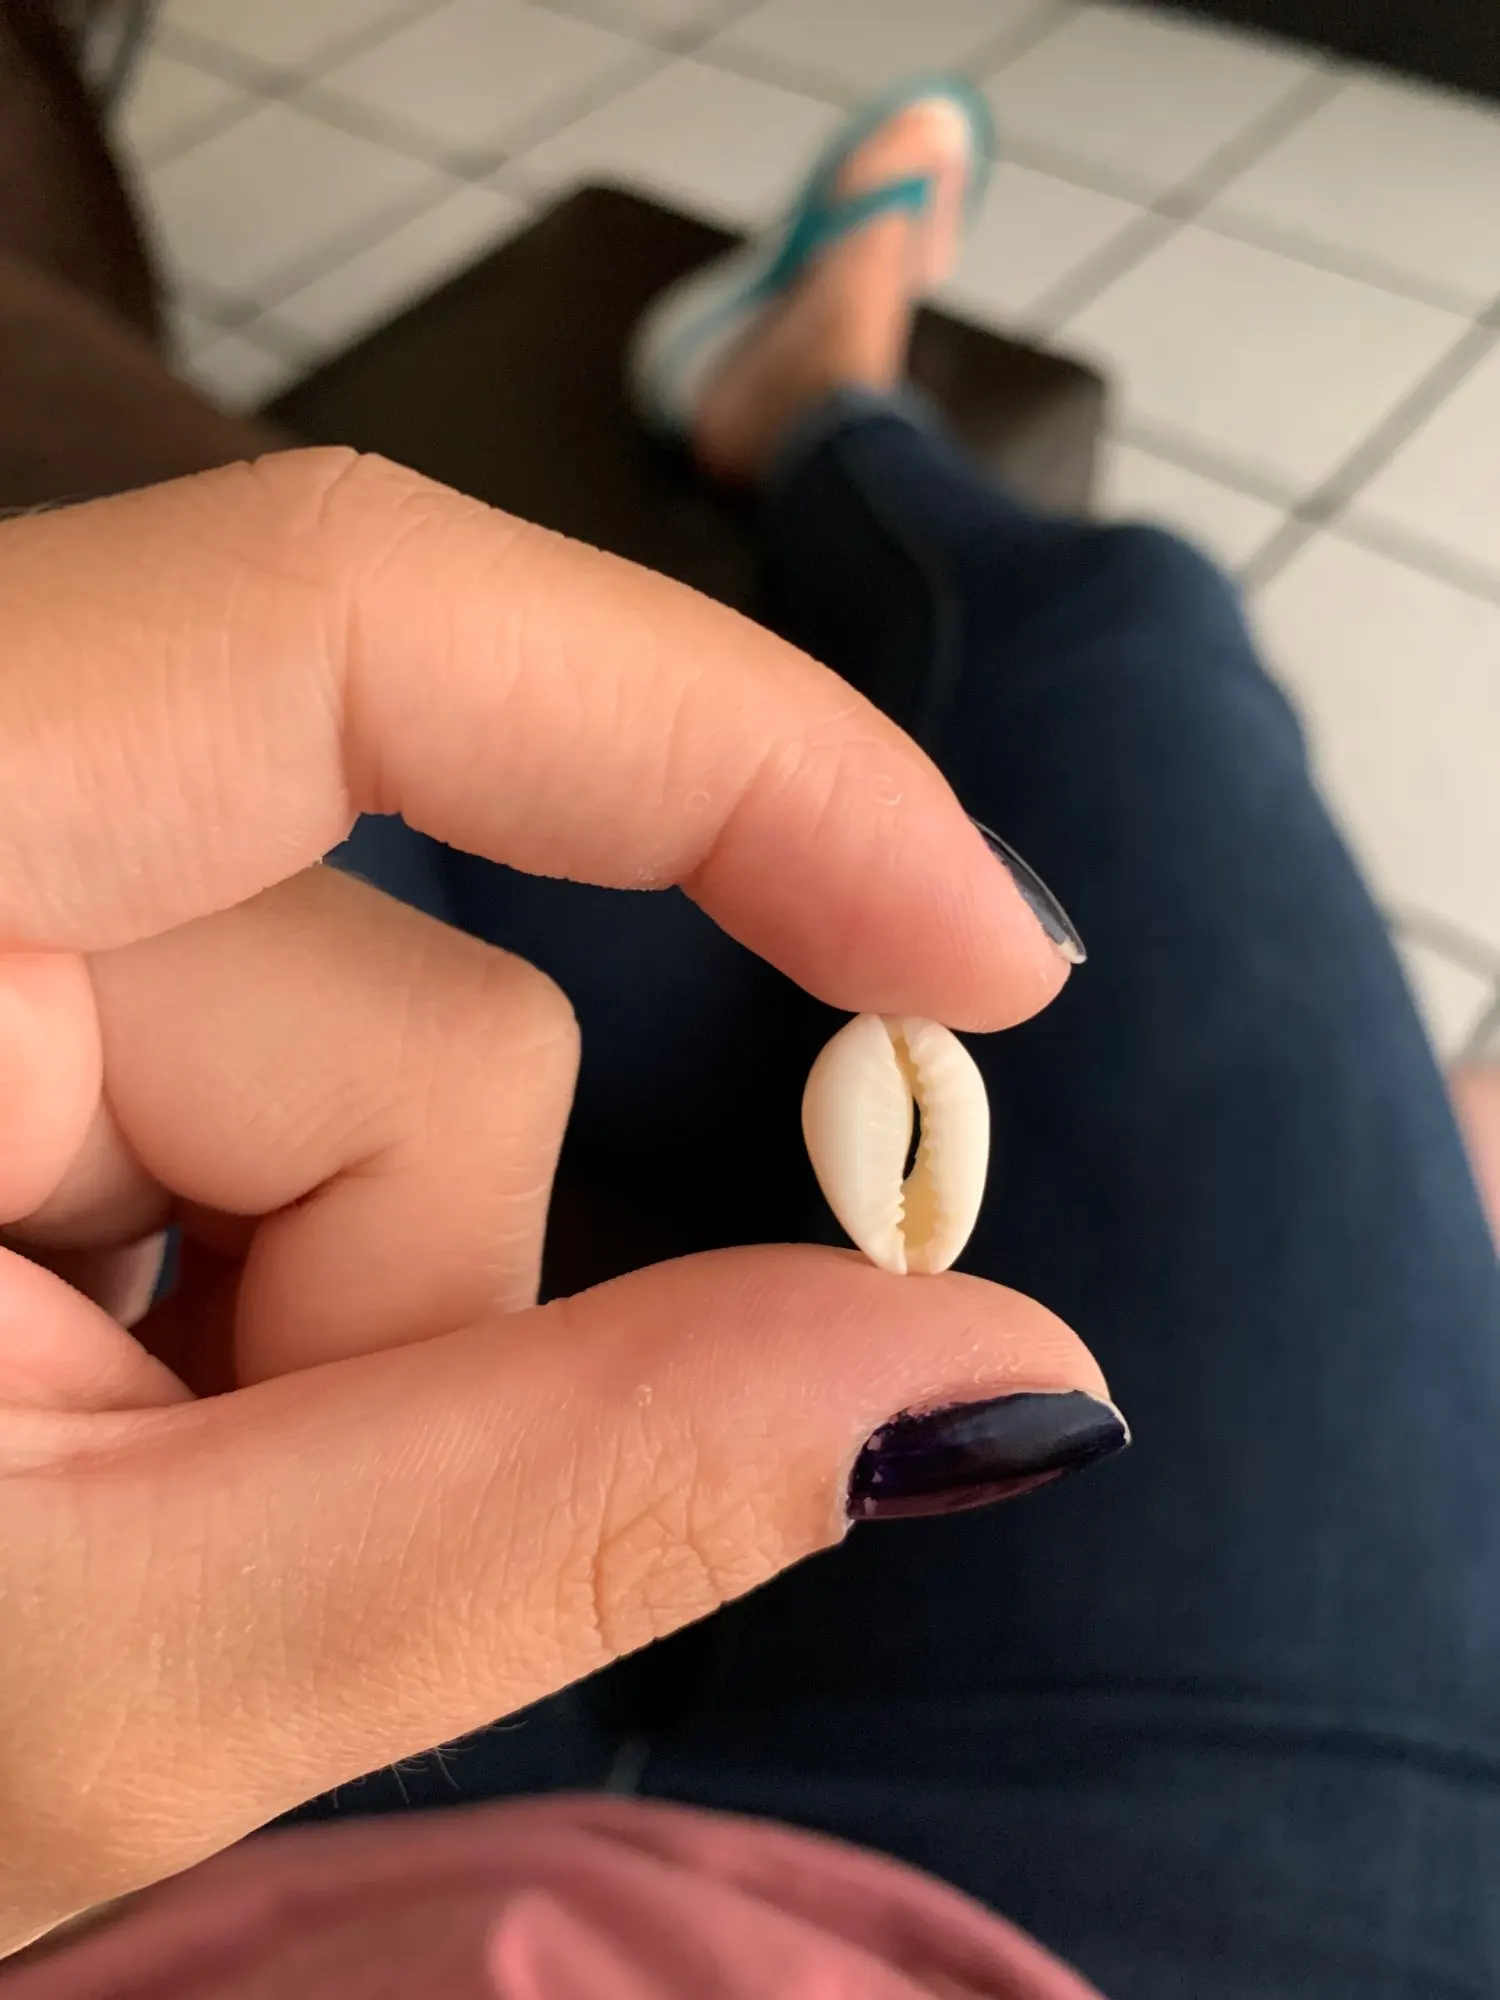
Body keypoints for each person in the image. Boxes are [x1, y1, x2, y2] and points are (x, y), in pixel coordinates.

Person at [0, 9, 1497, 1995]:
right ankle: (817, 408)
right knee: (1134, 630)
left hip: (197, 1899)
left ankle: (815, 393)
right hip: (1232, 1916)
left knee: (276, 891)